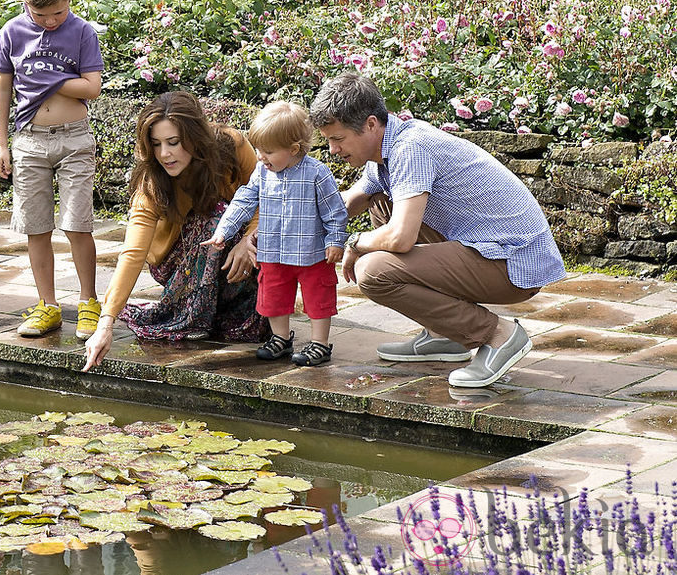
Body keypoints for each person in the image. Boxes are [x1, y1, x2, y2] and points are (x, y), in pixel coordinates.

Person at [309, 72, 566, 388]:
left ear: (371, 125)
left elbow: (400, 237)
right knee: (379, 201)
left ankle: (499, 335)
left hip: (513, 261)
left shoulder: (410, 149)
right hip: (485, 247)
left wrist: (356, 241)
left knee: (373, 271)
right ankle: (444, 334)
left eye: (337, 139)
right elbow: (348, 202)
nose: (333, 150)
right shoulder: (387, 150)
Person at [82, 92, 270, 371]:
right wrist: (106, 322)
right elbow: (133, 253)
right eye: (156, 145)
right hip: (177, 263)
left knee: (252, 227)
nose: (164, 154)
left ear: (195, 137)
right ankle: (193, 315)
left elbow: (264, 195)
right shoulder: (152, 184)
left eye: (173, 143)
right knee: (215, 218)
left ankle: (217, 310)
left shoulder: (231, 146)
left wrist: (249, 238)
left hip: (237, 248)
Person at [0, 0, 104, 340]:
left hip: (74, 137)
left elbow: (92, 87)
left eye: (57, 12)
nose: (50, 21)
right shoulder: (11, 33)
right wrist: (2, 143)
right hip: (28, 142)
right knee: (35, 228)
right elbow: (4, 88)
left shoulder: (82, 32)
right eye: (40, 15)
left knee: (77, 225)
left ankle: (89, 302)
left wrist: (48, 77)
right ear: (24, 0)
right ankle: (48, 305)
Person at [203, 101, 348, 367]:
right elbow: (244, 200)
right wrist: (224, 230)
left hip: (311, 253)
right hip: (273, 251)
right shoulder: (262, 173)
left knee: (318, 296)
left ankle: (320, 343)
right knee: (273, 295)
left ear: (294, 149)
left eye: (268, 151)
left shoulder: (316, 173)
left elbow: (334, 211)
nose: (260, 156)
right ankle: (281, 337)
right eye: (258, 149)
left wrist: (335, 240)